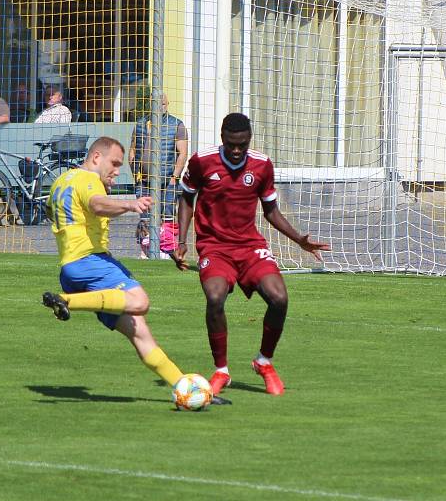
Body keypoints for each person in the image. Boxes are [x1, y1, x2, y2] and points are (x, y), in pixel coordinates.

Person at [176, 112, 330, 395]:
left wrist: (299, 240)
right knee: (214, 297)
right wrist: (181, 240)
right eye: (232, 144)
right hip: (214, 246)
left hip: (250, 246)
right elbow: (187, 198)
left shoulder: (261, 165)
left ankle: (264, 362)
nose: (237, 150)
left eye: (243, 145)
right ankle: (221, 370)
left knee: (279, 298)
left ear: (250, 140)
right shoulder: (201, 161)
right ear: (222, 138)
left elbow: (271, 210)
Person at [40, 136, 187, 392]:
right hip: (91, 261)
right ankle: (67, 301)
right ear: (96, 157)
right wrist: (130, 204)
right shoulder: (88, 180)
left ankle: (184, 386)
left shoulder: (60, 181)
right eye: (115, 163)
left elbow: (51, 212)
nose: (117, 171)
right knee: (140, 301)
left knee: (139, 332)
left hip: (69, 269)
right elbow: (97, 205)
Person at [128, 94, 188, 261]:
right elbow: (132, 149)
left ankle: (166, 250)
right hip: (144, 180)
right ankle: (145, 250)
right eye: (155, 103)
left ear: (167, 104)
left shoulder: (177, 124)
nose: (159, 106)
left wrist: (175, 177)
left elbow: (182, 153)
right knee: (145, 216)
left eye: (162, 103)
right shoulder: (140, 124)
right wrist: (136, 174)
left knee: (167, 215)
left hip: (168, 179)